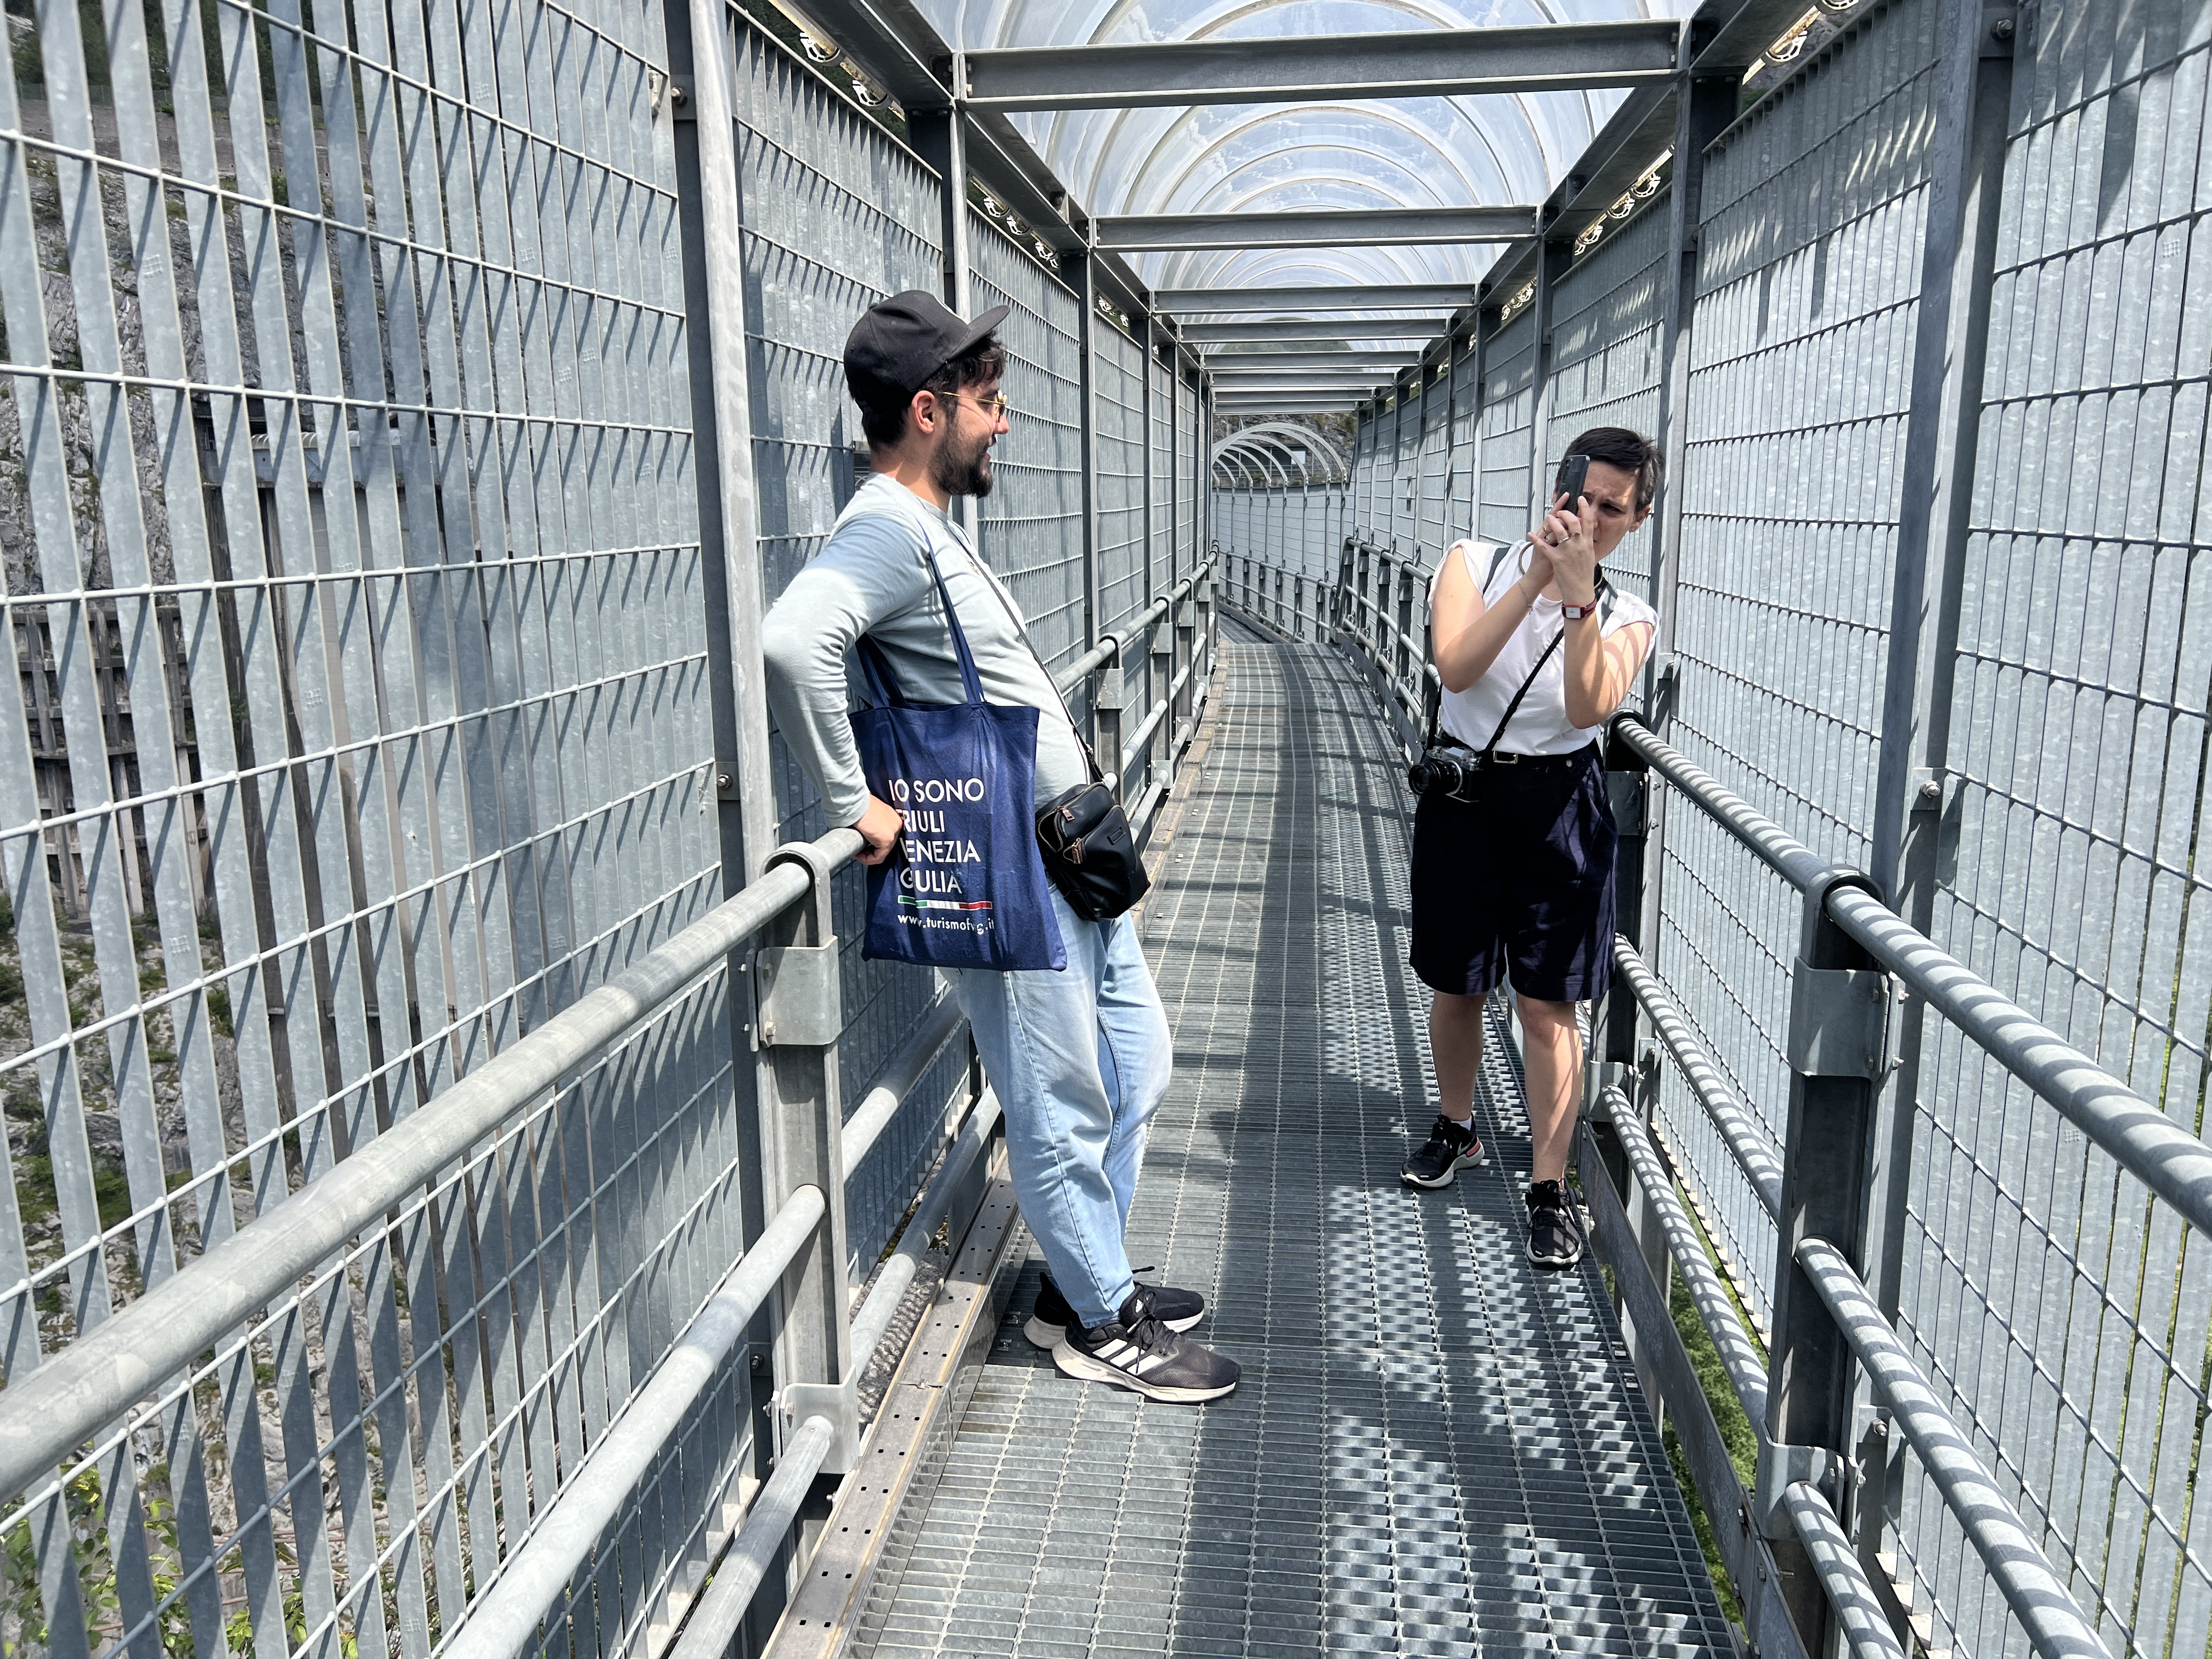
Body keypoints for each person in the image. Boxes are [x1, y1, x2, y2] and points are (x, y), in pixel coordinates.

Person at [759, 292, 1239, 1403]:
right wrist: (853, 801)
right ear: (928, 412)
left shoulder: (926, 528)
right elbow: (793, 640)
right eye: (988, 402)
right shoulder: (886, 529)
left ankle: (1084, 1280)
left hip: (1064, 856)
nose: (1005, 421)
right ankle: (1101, 1322)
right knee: (1061, 1094)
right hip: (1009, 866)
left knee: (1136, 1062)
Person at [1398, 427, 1660, 1271]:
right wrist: (1538, 580)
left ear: (1639, 519)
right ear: (1558, 488)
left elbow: (1588, 708)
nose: (1592, 518)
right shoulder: (1471, 564)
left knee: (1548, 1008)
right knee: (1458, 984)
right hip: (1466, 794)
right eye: (1583, 497)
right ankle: (1457, 1125)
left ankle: (1550, 1187)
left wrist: (1579, 601)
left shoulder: (1630, 617)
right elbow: (1456, 667)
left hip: (1559, 805)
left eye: (1613, 509)